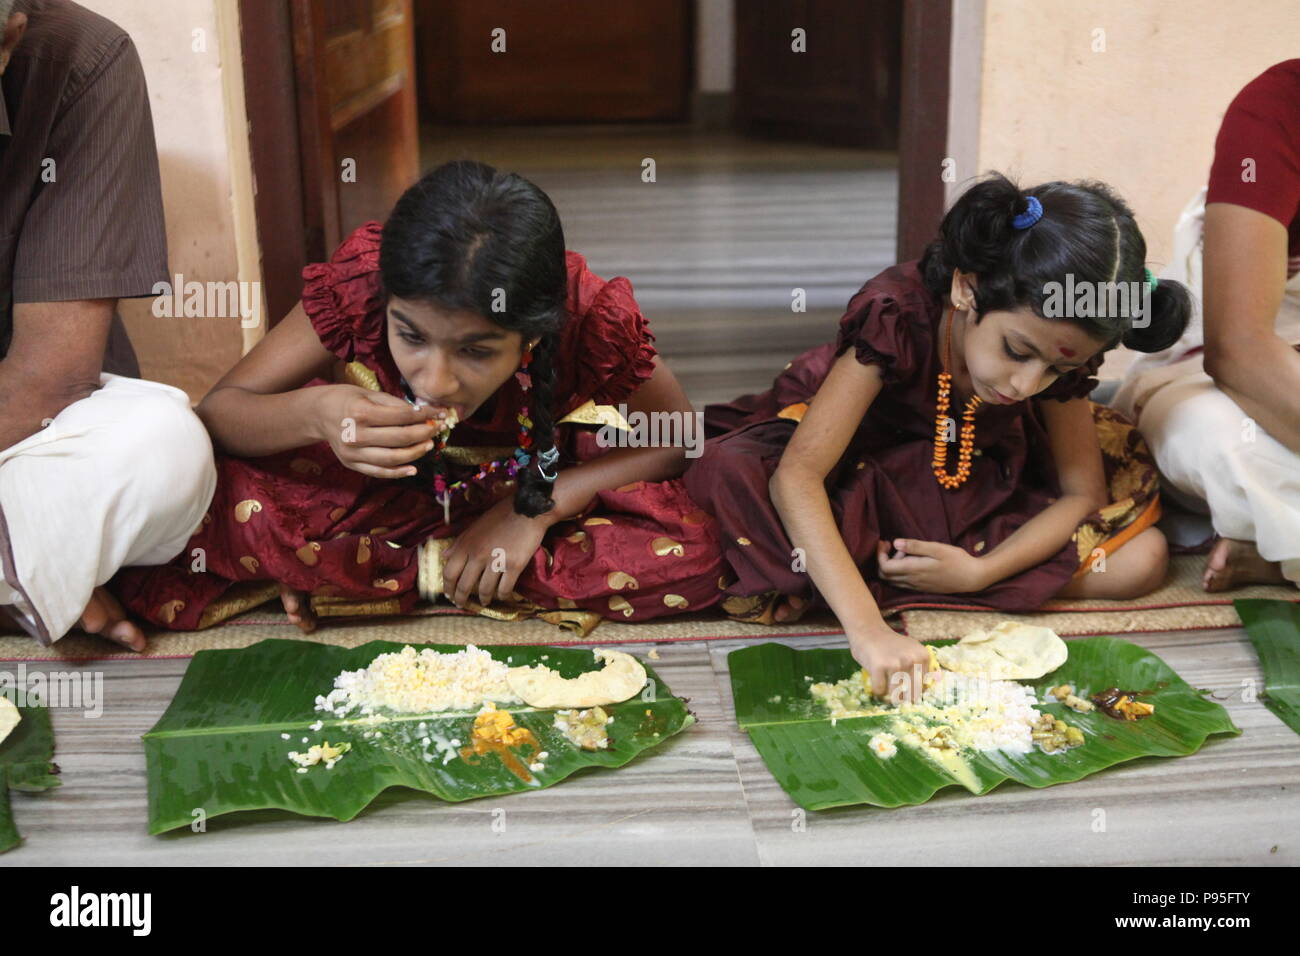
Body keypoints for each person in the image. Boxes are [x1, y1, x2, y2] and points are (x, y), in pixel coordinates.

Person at [112, 161, 724, 633]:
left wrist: (531, 511)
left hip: (528, 477)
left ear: (536, 329)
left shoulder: (587, 316)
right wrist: (318, 414)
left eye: (477, 351)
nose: (435, 380)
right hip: (374, 491)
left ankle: (354, 574)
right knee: (206, 505)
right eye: (411, 337)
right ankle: (454, 574)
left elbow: (677, 439)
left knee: (695, 550)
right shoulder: (364, 283)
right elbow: (220, 414)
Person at [684, 174, 1190, 695]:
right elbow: (798, 477)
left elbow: (1082, 493)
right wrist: (868, 632)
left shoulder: (1056, 353)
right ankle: (871, 580)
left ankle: (911, 578)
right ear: (966, 287)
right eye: (1017, 351)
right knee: (730, 481)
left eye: (1056, 373)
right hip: (857, 469)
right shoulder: (895, 315)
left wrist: (982, 572)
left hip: (976, 476)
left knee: (1142, 559)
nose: (1025, 385)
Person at [0, 0, 215, 650]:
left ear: (10, 35)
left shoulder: (82, 60)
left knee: (163, 447)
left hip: (17, 432)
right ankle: (32, 575)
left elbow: (49, 379)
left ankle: (28, 570)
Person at [1113, 59, 1300, 592]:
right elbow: (1240, 352)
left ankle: (1273, 547)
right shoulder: (1278, 107)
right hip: (1224, 380)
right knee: (1224, 441)